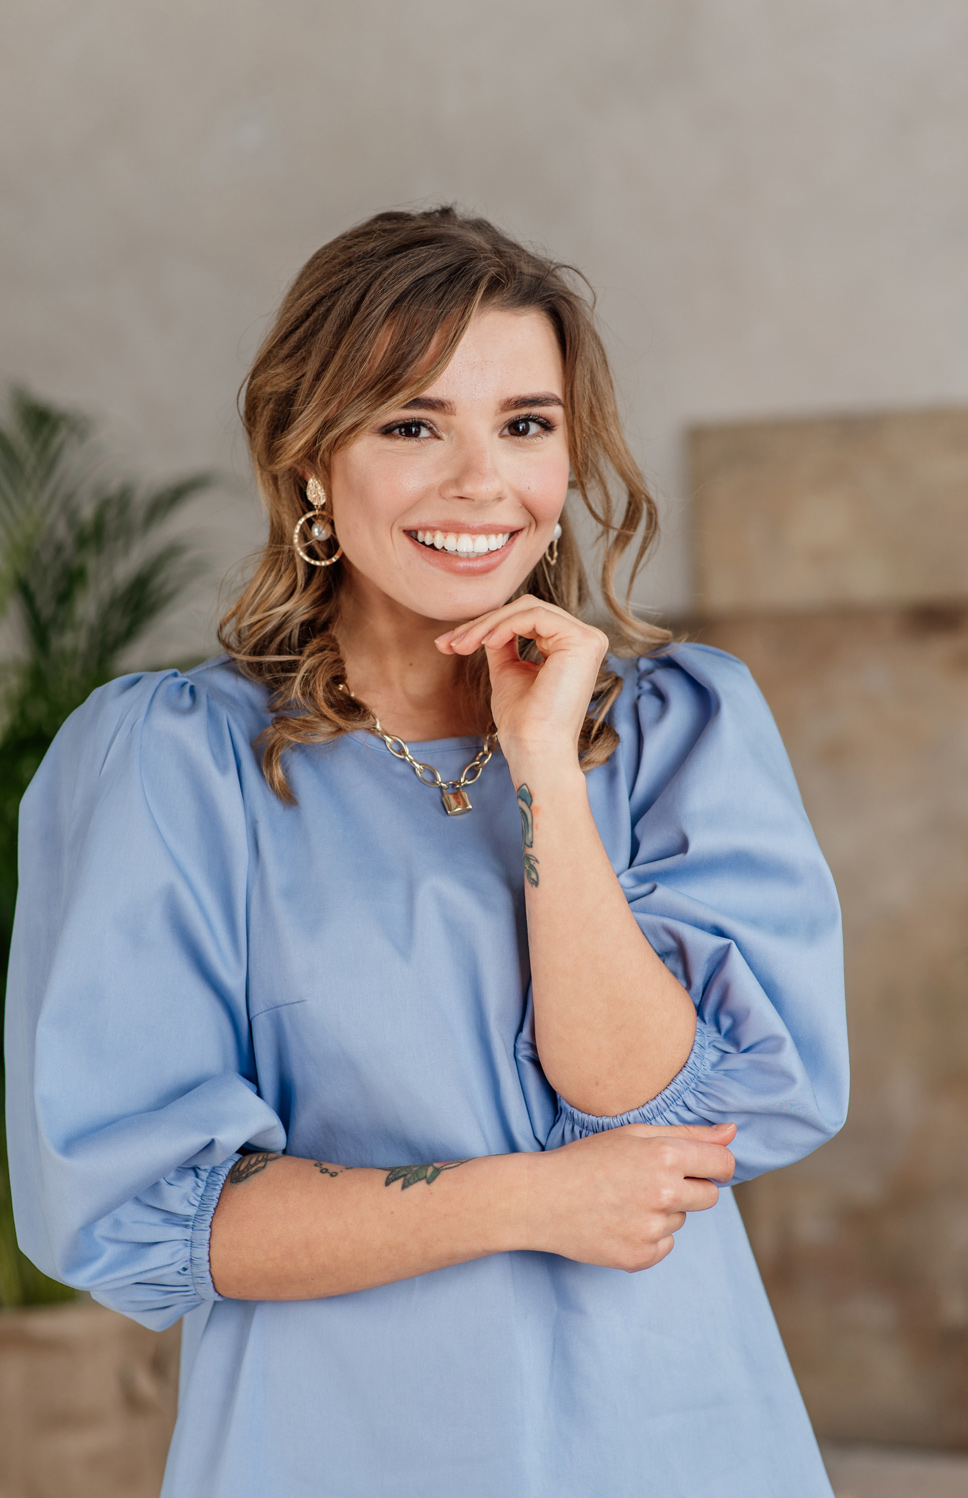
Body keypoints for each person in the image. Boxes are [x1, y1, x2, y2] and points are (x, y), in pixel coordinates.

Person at [5, 207, 848, 1498]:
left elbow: (659, 1108)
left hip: (678, 1431)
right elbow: (141, 1208)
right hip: (340, 1446)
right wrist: (526, 1201)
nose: (480, 482)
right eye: (412, 423)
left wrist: (548, 772)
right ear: (309, 460)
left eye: (525, 423)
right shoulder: (173, 764)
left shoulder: (681, 724)